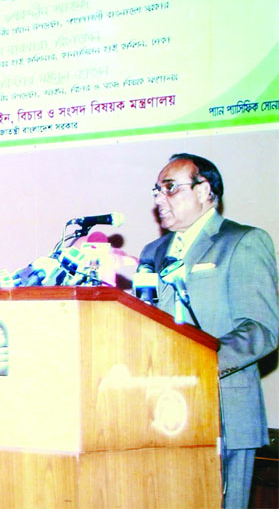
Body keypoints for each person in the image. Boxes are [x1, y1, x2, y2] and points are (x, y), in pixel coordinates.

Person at [139, 153, 278, 509]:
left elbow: (262, 329)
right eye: (157, 191)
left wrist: (198, 362)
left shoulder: (242, 241)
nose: (159, 198)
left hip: (223, 410)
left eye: (170, 188)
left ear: (204, 191)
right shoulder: (152, 252)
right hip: (161, 412)